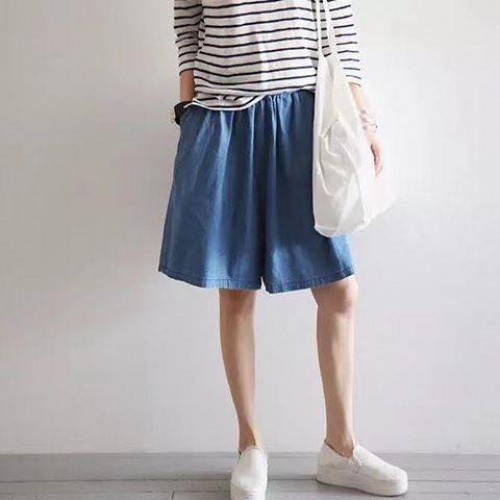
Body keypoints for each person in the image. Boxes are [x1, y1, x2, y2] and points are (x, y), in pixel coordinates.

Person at [159, 0, 408, 498]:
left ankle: (341, 449)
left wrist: (365, 122)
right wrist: (187, 110)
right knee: (235, 288)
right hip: (223, 120)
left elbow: (340, 28)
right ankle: (250, 445)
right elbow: (188, 23)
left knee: (339, 291)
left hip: (305, 120)